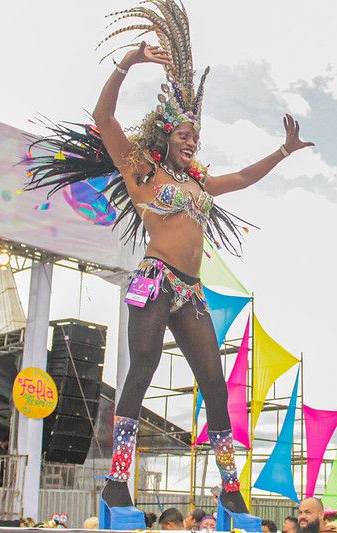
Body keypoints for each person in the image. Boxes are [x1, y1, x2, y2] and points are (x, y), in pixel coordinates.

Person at [24, 0, 313, 517]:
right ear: (165, 134)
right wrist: (128, 62)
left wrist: (283, 151)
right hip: (156, 279)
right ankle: (117, 481)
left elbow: (244, 177)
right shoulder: (141, 171)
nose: (192, 142)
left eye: (195, 137)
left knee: (215, 386)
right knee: (144, 367)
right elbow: (104, 118)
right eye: (184, 135)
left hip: (191, 290)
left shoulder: (199, 184)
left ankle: (230, 487)